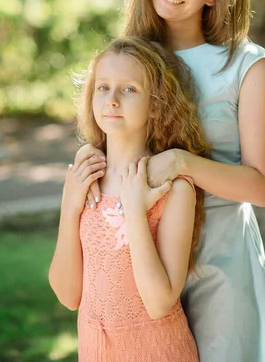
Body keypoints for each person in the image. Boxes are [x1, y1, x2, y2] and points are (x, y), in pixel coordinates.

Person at [77, 0, 265, 361]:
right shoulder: (131, 58)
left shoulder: (246, 66)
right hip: (140, 256)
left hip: (220, 265)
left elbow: (261, 187)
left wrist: (181, 163)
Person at [49, 37, 211, 362]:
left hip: (158, 351)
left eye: (129, 90)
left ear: (155, 105)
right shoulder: (85, 179)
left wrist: (135, 211)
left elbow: (159, 302)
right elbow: (68, 296)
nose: (112, 100)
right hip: (94, 351)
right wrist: (70, 208)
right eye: (103, 88)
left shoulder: (173, 188)